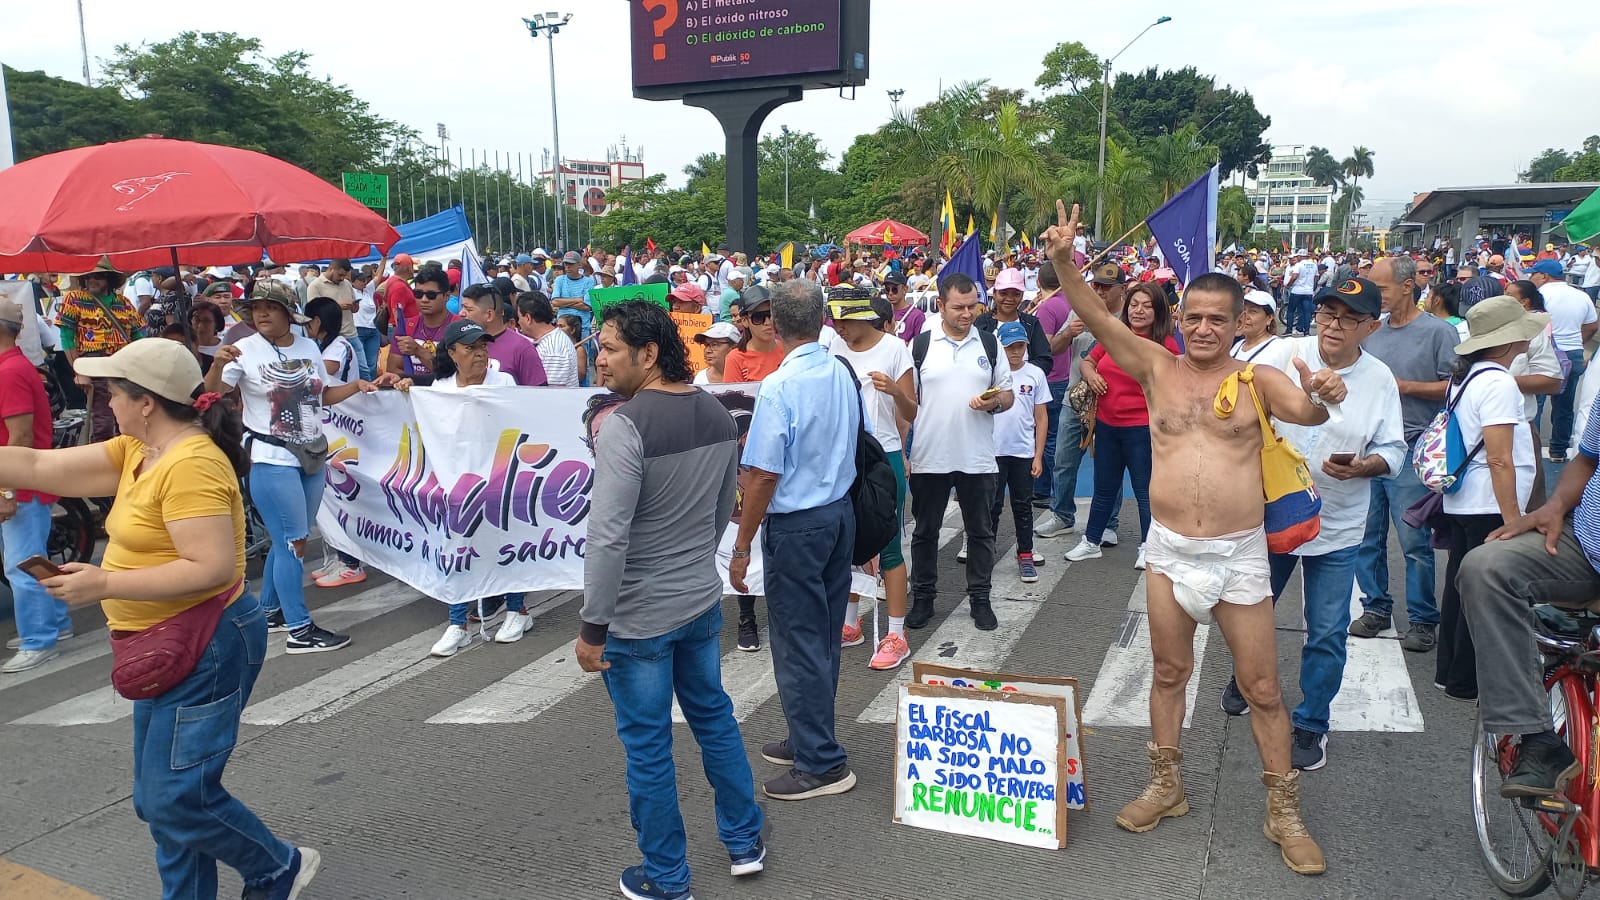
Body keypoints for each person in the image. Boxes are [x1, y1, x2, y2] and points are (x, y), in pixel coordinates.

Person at [1044, 201, 1328, 875]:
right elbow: (1093, 315)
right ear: (1183, 318)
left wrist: (1328, 394)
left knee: (1261, 687)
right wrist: (1062, 259)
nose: (1204, 328)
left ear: (1241, 324)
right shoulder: (1153, 368)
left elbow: (1307, 410)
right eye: (1194, 316)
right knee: (1169, 673)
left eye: (1218, 319)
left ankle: (1282, 808)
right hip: (1169, 552)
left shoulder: (1257, 378)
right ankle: (1166, 785)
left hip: (1238, 557)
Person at [0, 337, 322, 897]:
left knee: (176, 798)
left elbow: (215, 568)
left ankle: (275, 865)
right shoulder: (135, 452)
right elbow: (34, 464)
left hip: (206, 641)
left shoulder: (191, 463)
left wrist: (104, 582)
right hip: (158, 640)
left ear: (145, 401)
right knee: (163, 799)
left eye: (111, 392)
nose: (105, 403)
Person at [572, 301, 765, 900]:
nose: (598, 359)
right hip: (698, 602)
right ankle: (744, 841)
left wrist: (592, 626)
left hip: (638, 619)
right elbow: (716, 517)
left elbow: (607, 536)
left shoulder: (626, 425)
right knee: (714, 719)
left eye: (609, 348)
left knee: (649, 748)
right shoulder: (713, 410)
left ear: (648, 354)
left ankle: (667, 877)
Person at [1218, 279, 1405, 775]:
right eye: (1326, 314)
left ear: (1371, 326)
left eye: (1347, 318)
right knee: (1249, 613)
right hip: (1273, 515)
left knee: (1325, 633)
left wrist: (1367, 466)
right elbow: (1238, 402)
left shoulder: (1380, 377)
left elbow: (1395, 452)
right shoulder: (1284, 355)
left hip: (1339, 525)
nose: (1333, 326)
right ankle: (1245, 676)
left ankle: (1311, 723)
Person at [727, 279, 862, 801]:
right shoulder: (839, 370)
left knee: (798, 642)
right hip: (836, 512)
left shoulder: (782, 385)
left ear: (777, 326)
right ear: (823, 318)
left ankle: (822, 761)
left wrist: (742, 545)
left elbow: (762, 473)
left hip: (800, 523)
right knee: (822, 635)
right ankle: (811, 735)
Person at [205, 282, 388, 653]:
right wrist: (218, 364)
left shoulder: (308, 348)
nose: (262, 314)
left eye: (271, 307)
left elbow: (321, 396)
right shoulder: (242, 350)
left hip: (312, 454)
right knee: (294, 542)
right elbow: (210, 395)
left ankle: (271, 612)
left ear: (290, 313)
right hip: (271, 458)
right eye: (257, 307)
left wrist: (357, 386)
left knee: (288, 539)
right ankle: (300, 630)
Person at [1434, 297, 1544, 702]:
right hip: (1489, 503)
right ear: (1505, 342)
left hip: (1465, 499)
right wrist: (1514, 518)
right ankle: (1467, 680)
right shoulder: (1498, 382)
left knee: (1459, 586)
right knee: (1484, 593)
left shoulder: (1466, 377)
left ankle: (1451, 674)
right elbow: (1500, 457)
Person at [1349, 256, 1460, 652]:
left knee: (1414, 541)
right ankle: (1376, 606)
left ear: (1408, 286)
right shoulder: (1371, 331)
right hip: (1370, 448)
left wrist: (1405, 387)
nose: (1375, 296)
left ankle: (1422, 619)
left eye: (1381, 289)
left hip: (1413, 448)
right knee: (1367, 537)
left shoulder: (1438, 333)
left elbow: (1456, 387)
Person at [410, 320, 537, 654]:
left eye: (483, 346)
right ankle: (458, 623)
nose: (479, 353)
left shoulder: (504, 382)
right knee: (457, 549)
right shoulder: (439, 389)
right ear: (452, 353)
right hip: (455, 484)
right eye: (470, 347)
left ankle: (517, 610)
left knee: (507, 544)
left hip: (500, 478)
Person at [905, 273, 1015, 631]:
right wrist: (905, 453)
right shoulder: (920, 345)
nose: (968, 314)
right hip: (930, 455)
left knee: (981, 532)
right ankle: (923, 598)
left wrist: (994, 403)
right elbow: (908, 402)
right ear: (941, 306)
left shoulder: (989, 344)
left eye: (973, 306)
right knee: (925, 532)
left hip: (978, 457)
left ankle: (980, 599)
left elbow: (1008, 394)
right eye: (959, 308)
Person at [827, 289, 917, 669]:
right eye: (836, 322)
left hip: (884, 458)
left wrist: (895, 391)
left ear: (863, 317)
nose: (839, 329)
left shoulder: (896, 349)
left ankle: (896, 633)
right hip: (843, 457)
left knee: (889, 544)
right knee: (847, 544)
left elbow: (911, 410)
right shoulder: (831, 347)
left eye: (844, 321)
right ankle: (851, 625)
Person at [1063, 282, 1180, 570]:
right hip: (1106, 424)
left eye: (1147, 305)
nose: (1138, 310)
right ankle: (1091, 541)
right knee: (1104, 488)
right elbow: (1088, 361)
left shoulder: (1166, 345)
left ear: (1159, 311)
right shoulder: (1116, 336)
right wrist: (1090, 376)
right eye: (1134, 304)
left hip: (1142, 428)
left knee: (1144, 490)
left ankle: (1148, 546)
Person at [0, 297, 66, 673]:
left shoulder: (9, 371)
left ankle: (39, 638)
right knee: (32, 561)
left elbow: (20, 436)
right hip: (21, 480)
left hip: (21, 482)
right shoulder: (11, 366)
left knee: (21, 566)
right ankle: (54, 623)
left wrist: (6, 490)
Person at [1037, 264, 1124, 541]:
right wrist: (1067, 334)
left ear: (1122, 289)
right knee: (1063, 459)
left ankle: (1109, 523)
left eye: (1106, 288)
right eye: (1096, 286)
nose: (1099, 292)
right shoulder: (1079, 310)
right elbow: (1052, 349)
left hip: (1114, 399)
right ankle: (1062, 515)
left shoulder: (1129, 316)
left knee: (1110, 463)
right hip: (1074, 397)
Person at [57, 260, 147, 442]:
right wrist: (79, 371)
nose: (92, 280)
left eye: (97, 276)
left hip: (123, 369)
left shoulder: (123, 302)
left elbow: (138, 336)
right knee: (102, 423)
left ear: (109, 278)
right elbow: (66, 338)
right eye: (88, 276)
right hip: (94, 366)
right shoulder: (74, 299)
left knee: (129, 421)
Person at [989, 321, 1049, 583]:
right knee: (991, 506)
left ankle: (1025, 552)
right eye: (1010, 347)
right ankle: (985, 551)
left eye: (1020, 346)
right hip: (994, 451)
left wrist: (1038, 455)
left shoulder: (1034, 374)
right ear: (1001, 348)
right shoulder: (993, 373)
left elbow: (1041, 416)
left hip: (1022, 452)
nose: (1015, 352)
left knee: (1023, 505)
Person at [1529, 259, 1598, 462]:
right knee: (1565, 406)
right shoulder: (1581, 295)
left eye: (1534, 274)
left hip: (1545, 352)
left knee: (1536, 403)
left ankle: (1533, 450)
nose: (1531, 277)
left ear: (1544, 276)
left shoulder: (1538, 295)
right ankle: (1558, 451)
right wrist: (1577, 342)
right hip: (1573, 353)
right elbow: (1592, 325)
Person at [464, 282, 548, 386]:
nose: (461, 313)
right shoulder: (460, 344)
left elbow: (539, 395)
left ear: (489, 314)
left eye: (468, 309)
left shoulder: (522, 349)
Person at [385, 268, 457, 383]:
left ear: (446, 296)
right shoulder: (406, 326)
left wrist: (419, 351)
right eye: (418, 294)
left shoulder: (458, 327)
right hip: (411, 397)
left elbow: (457, 376)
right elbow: (393, 370)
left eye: (431, 295)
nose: (424, 300)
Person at [517, 292, 580, 387]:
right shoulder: (550, 341)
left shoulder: (553, 350)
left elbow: (551, 394)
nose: (518, 322)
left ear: (528, 318)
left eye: (519, 317)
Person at [723, 286, 784, 382]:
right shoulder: (735, 359)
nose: (768, 322)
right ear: (744, 321)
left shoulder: (787, 349)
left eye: (771, 314)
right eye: (758, 317)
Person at [1230, 289, 1293, 369]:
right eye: (1242, 310)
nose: (1245, 316)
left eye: (1253, 311)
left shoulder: (1278, 348)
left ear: (1269, 318)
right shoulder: (1238, 346)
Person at [550, 251, 596, 336]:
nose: (568, 267)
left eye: (571, 264)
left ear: (579, 265)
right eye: (566, 264)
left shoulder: (588, 281)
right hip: (562, 327)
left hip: (582, 327)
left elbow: (587, 306)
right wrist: (578, 299)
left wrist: (563, 303)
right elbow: (555, 302)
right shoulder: (559, 280)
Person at [350, 268, 380, 381]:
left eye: (365, 280)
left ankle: (371, 385)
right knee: (361, 363)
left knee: (372, 363)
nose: (364, 282)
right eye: (361, 280)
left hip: (373, 330)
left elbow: (378, 276)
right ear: (353, 282)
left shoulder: (369, 290)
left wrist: (384, 258)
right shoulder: (350, 291)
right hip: (358, 330)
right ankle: (361, 385)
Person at [1283, 249, 1319, 336]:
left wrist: (1288, 284)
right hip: (1308, 292)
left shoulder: (1298, 265)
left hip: (1297, 290)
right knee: (1307, 312)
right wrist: (1312, 286)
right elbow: (1316, 277)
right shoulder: (1314, 265)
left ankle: (1289, 330)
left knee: (1291, 310)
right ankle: (1306, 331)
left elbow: (1294, 276)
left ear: (1299, 256)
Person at [188, 300, 227, 376]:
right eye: (197, 319)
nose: (200, 326)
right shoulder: (184, 346)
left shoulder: (224, 349)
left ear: (216, 324)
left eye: (206, 321)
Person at [884, 272, 923, 341]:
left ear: (904, 289)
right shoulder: (883, 313)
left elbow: (919, 345)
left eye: (894, 289)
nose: (890, 293)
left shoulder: (917, 316)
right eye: (887, 289)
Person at [558, 314, 589, 385]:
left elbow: (581, 375)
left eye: (561, 326)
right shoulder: (559, 348)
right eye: (557, 326)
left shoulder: (579, 350)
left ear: (572, 330)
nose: (557, 329)